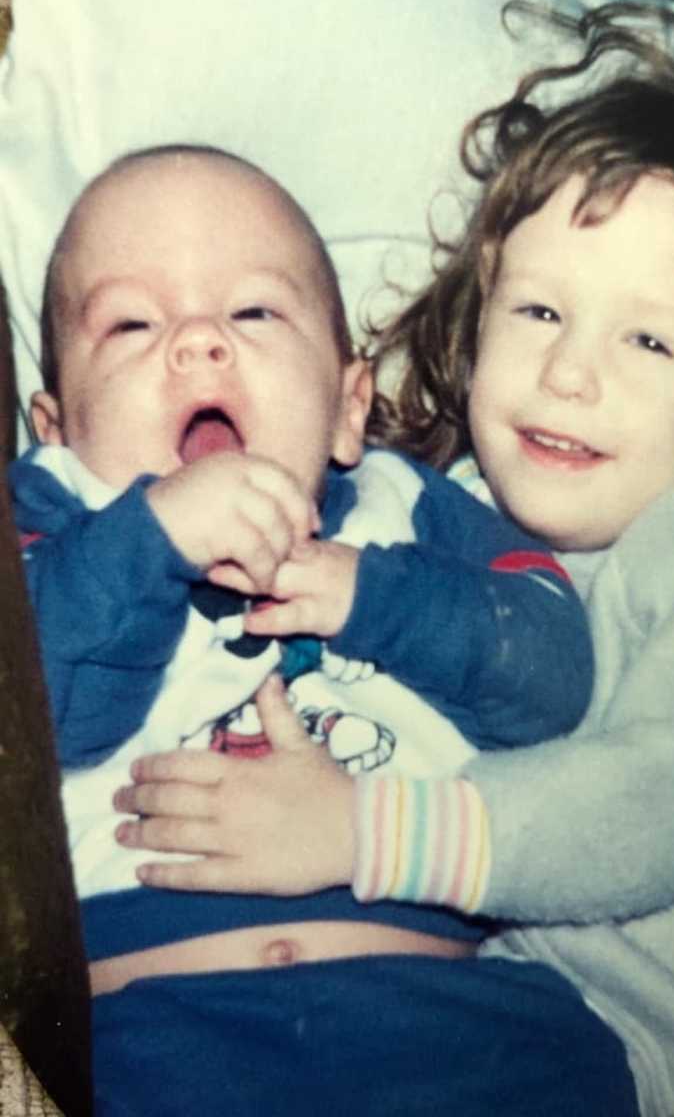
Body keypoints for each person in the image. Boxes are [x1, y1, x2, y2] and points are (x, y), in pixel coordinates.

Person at [117, 4, 674, 1117]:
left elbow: (654, 803)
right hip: (570, 1062)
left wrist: (357, 831)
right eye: (538, 310)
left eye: (649, 339)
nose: (572, 374)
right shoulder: (448, 529)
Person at [10, 144, 626, 1115]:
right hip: (156, 1036)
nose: (198, 343)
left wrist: (368, 597)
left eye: (253, 311)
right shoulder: (51, 523)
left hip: (452, 1015)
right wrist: (149, 536)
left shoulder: (407, 511)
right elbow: (36, 721)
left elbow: (557, 682)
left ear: (349, 408)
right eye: (131, 323)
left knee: (577, 1061)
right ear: (54, 426)